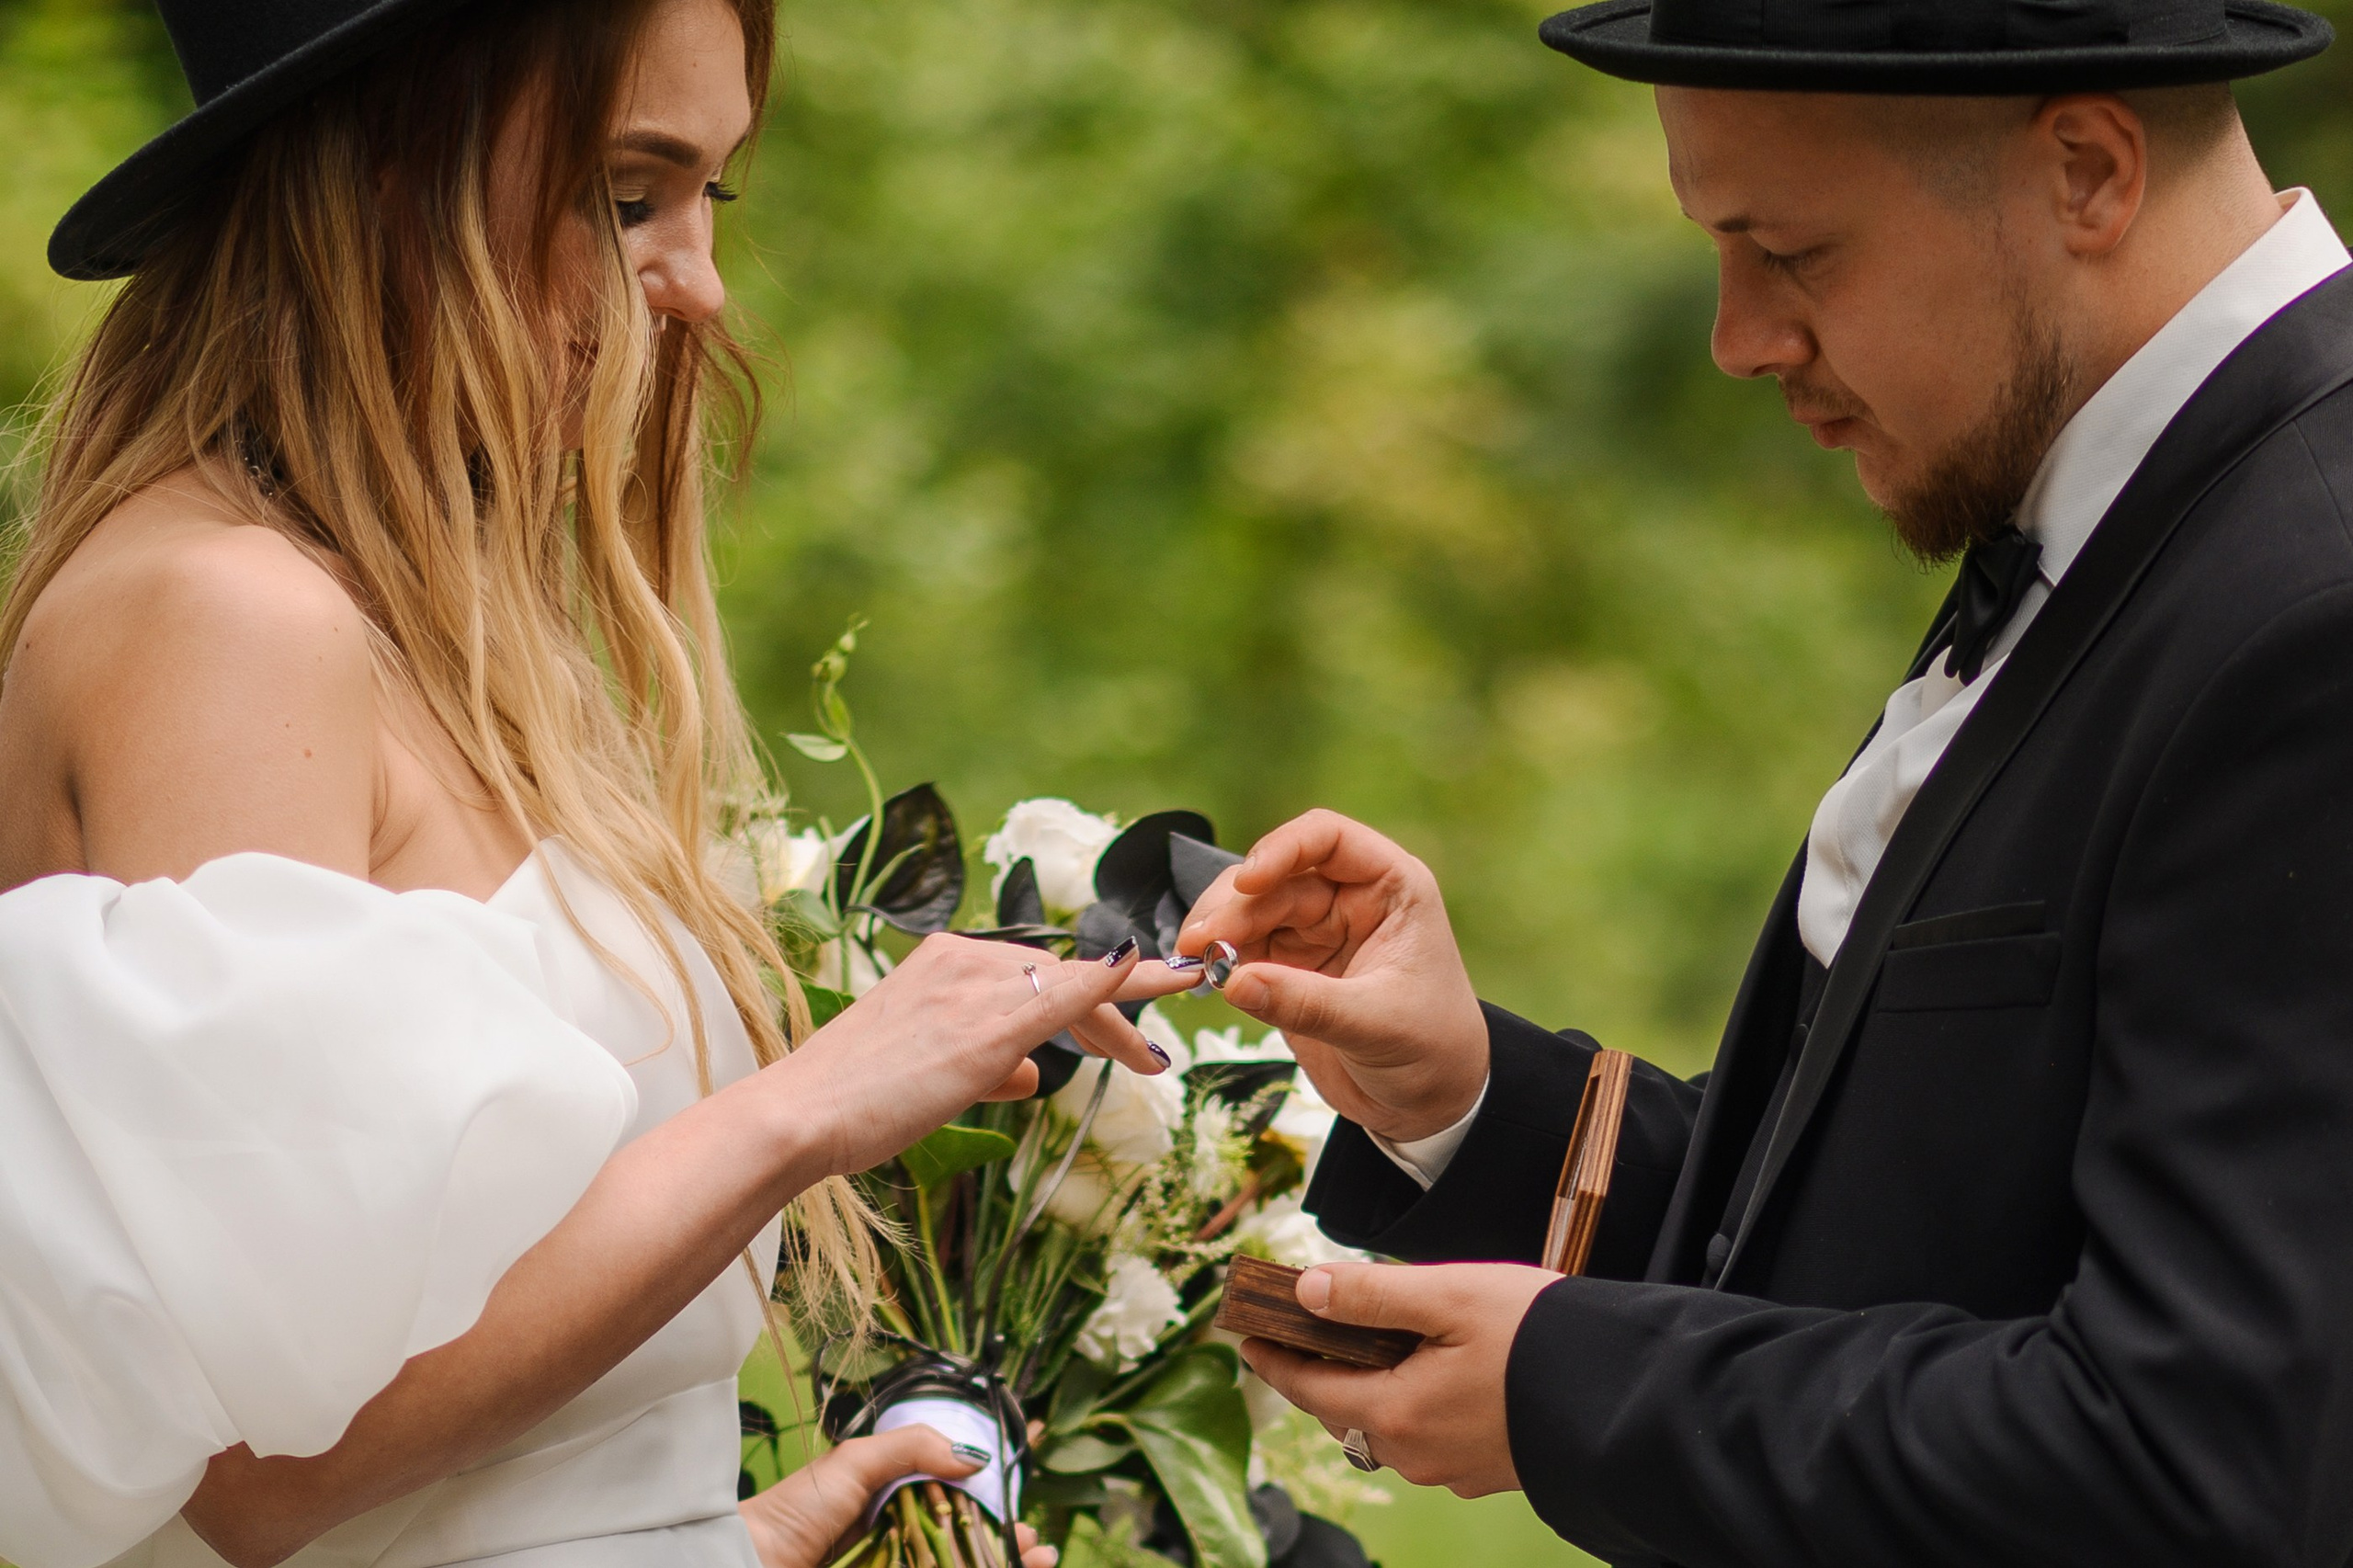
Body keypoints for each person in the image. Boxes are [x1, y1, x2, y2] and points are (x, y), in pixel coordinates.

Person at [0, 0, 1194, 1563]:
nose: (697, 285)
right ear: (383, 170)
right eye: (630, 195)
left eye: (714, 196)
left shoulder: (441, 638)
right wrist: (810, 1106)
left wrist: (743, 1541)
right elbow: (252, 1460)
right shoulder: (228, 618)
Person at [1179, 1, 2353, 1563]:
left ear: (2085, 170)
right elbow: (1886, 1246)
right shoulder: (2129, 515)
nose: (1739, 338)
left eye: (1791, 251)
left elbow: (2198, 1463)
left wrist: (1569, 1386)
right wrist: (1464, 1098)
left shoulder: (2313, 611)